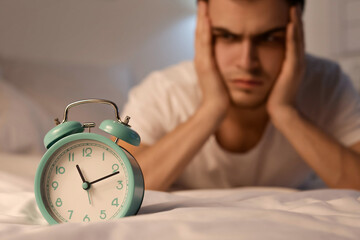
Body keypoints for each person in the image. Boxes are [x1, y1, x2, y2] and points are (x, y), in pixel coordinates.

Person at [120, 0, 360, 191]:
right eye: (227, 36)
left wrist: (286, 112)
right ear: (203, 33)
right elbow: (115, 185)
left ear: (296, 36)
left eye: (269, 38)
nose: (247, 62)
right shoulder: (162, 91)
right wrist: (211, 110)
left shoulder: (327, 84)